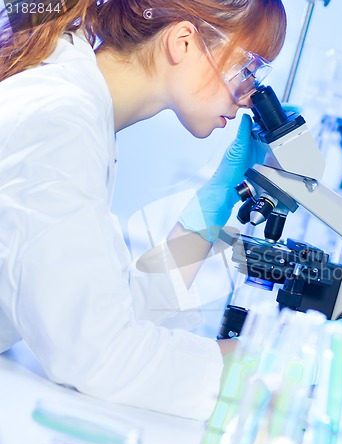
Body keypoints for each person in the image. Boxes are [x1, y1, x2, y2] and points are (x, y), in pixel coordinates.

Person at [0, 0, 288, 420]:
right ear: (183, 42)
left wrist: (219, 198)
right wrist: (256, 370)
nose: (248, 98)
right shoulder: (62, 123)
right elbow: (99, 354)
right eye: (247, 70)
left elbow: (115, 307)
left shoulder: (77, 106)